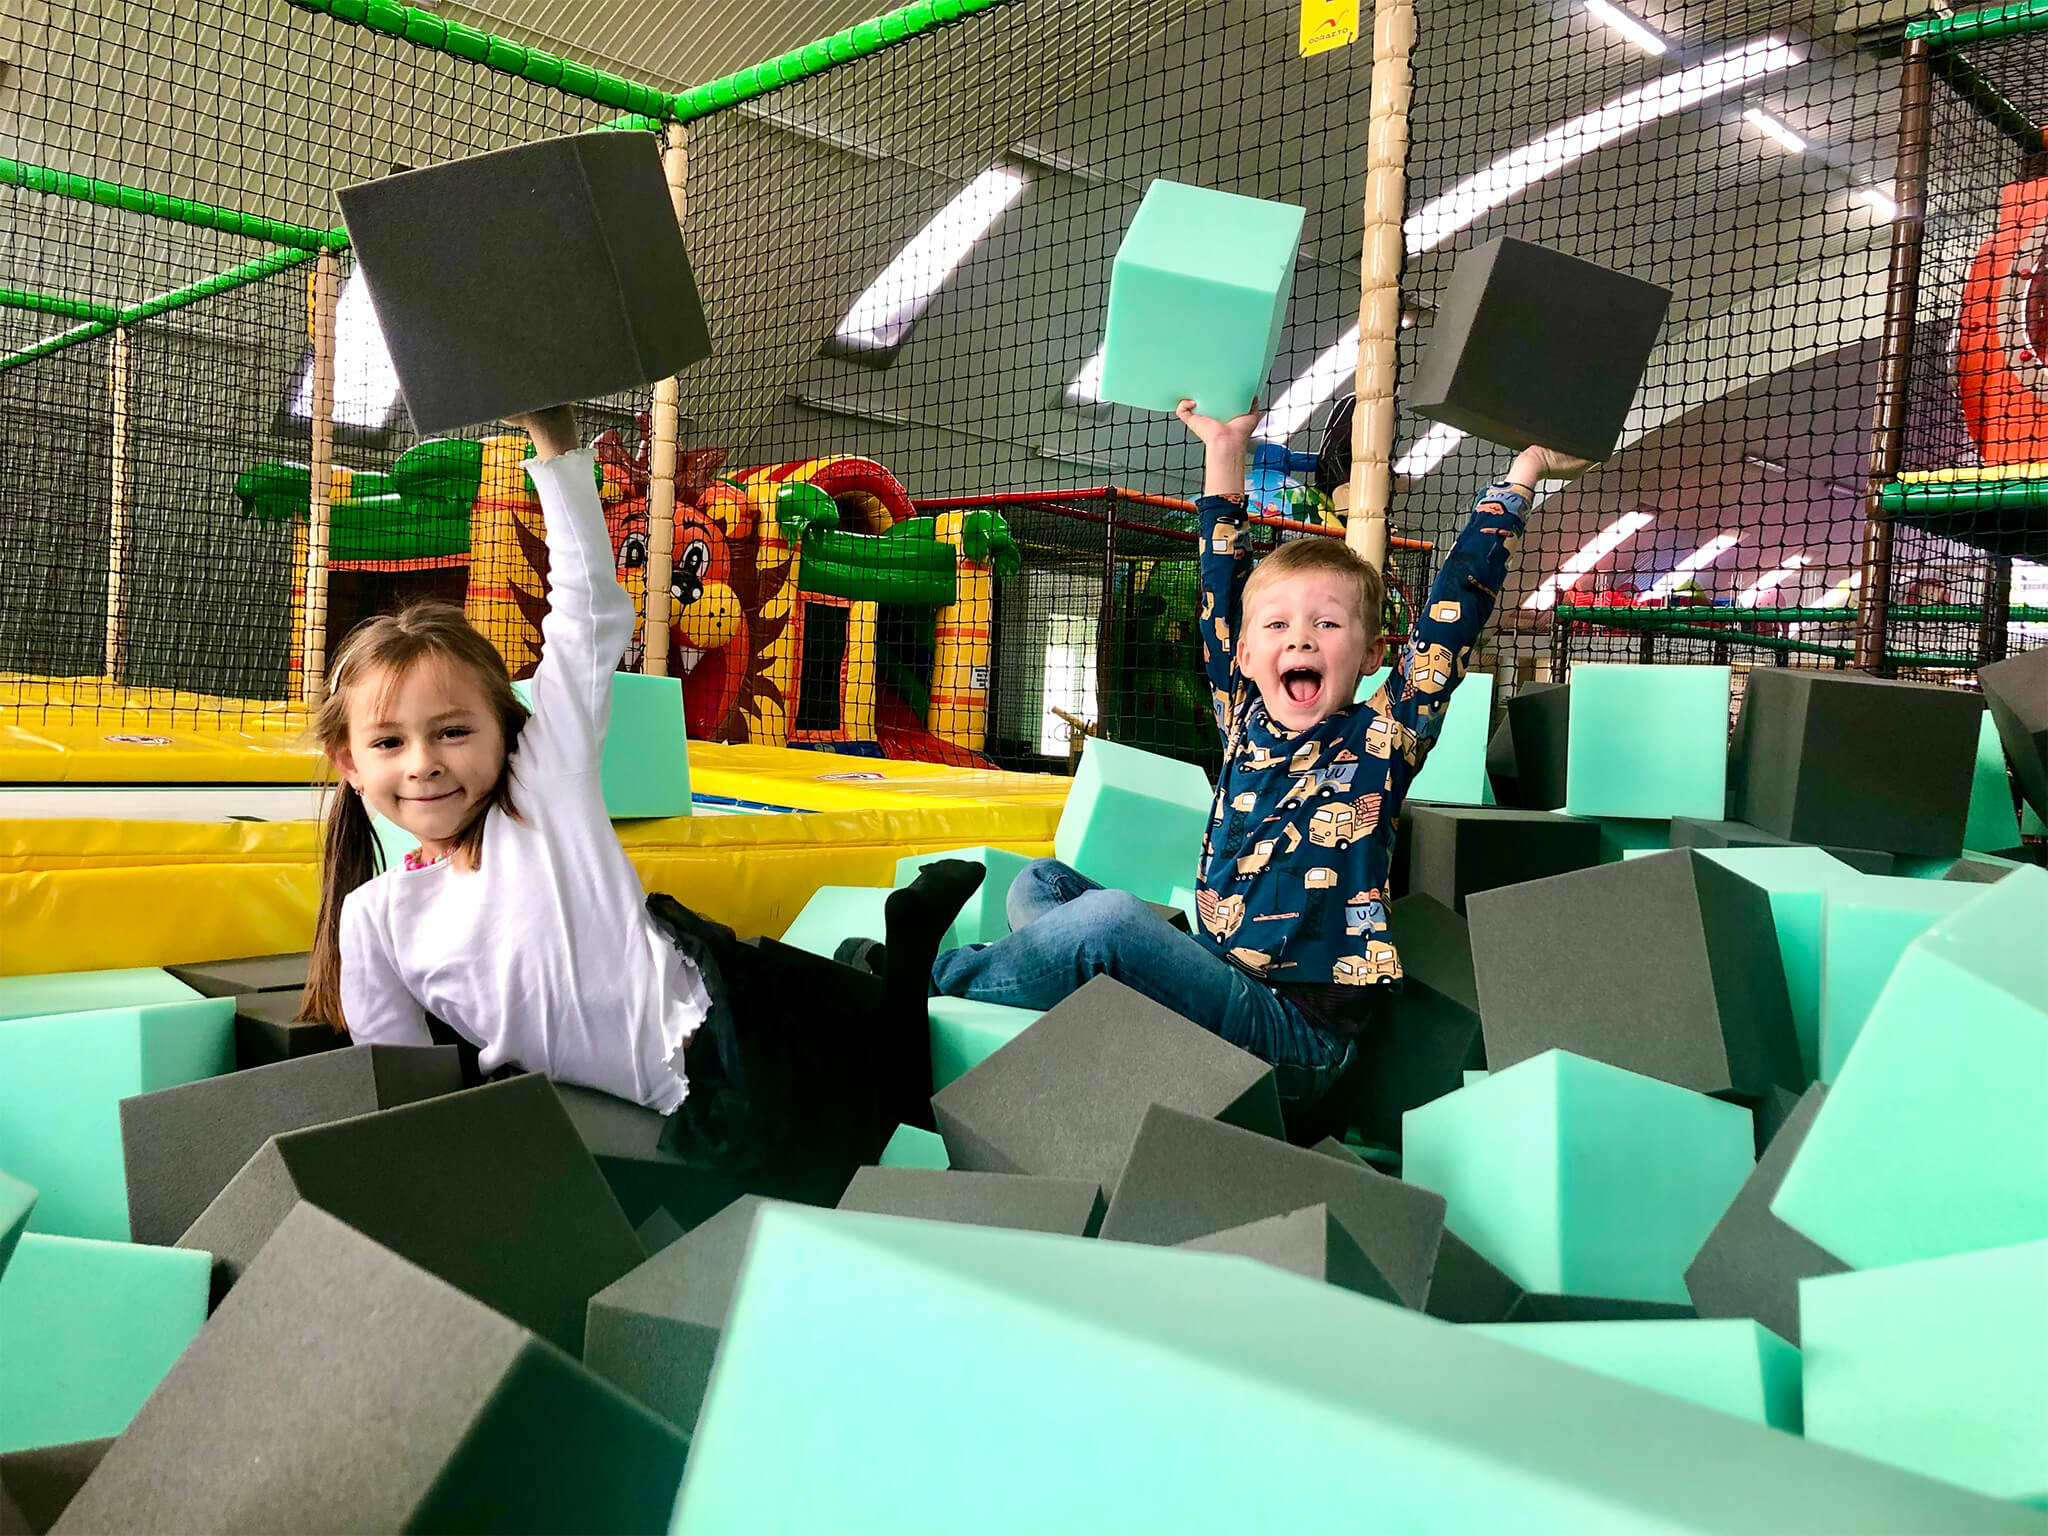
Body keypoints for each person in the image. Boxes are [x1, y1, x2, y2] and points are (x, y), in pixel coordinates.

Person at [298, 403, 981, 1195]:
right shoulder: (375, 917)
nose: (424, 764)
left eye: (453, 732)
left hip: (736, 1036)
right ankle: (889, 967)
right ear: (348, 762)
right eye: (389, 743)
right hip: (666, 1099)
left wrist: (553, 443)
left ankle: (906, 965)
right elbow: (397, 1080)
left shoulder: (537, 793)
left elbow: (588, 615)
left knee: (903, 1092)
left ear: (505, 730)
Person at [897, 398, 1586, 1122]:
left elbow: (1453, 612)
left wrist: (1523, 475)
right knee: (1043, 880)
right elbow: (1221, 588)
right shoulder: (1245, 717)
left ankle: (931, 976)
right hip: (1220, 973)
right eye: (1278, 625)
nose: (1301, 639)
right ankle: (1065, 973)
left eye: (1328, 624)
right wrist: (1225, 452)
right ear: (1249, 655)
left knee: (1109, 924)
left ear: (1373, 655)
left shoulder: (1381, 740)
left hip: (1293, 1038)